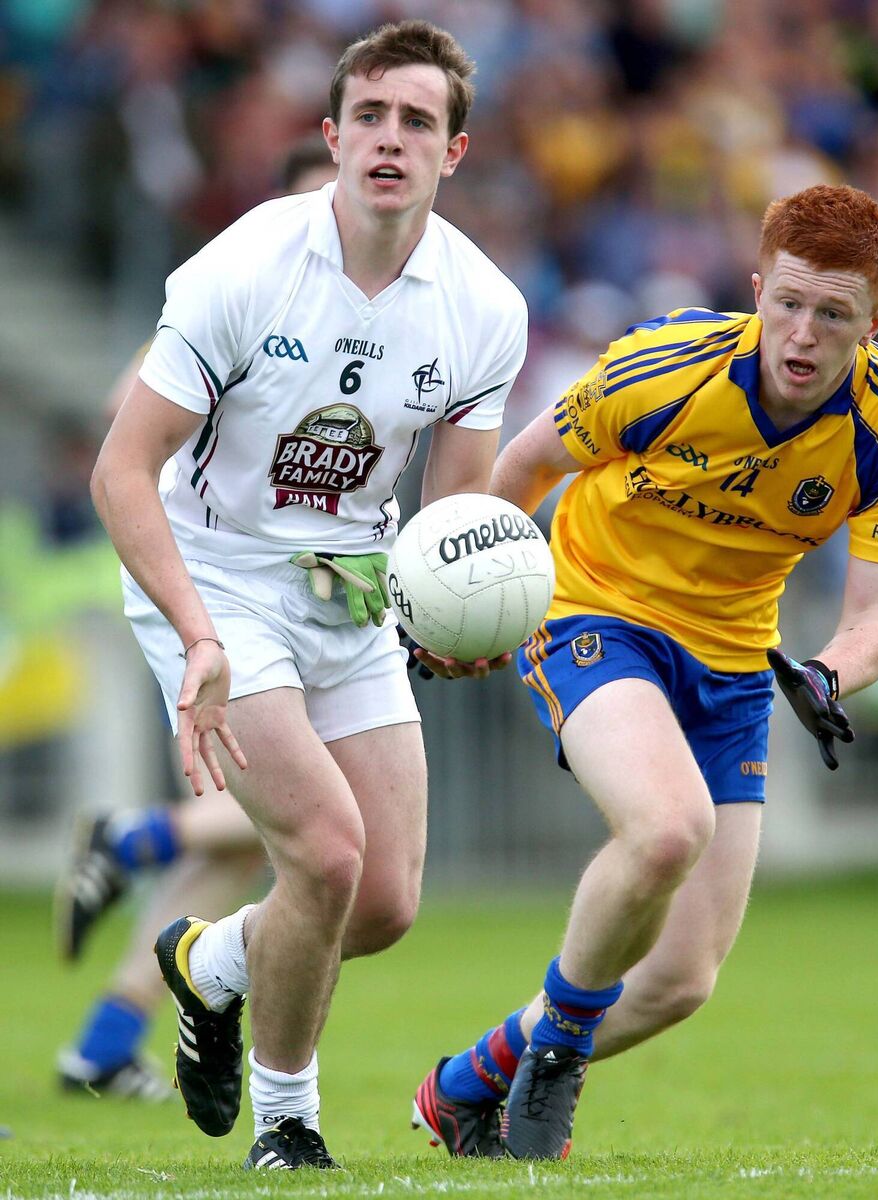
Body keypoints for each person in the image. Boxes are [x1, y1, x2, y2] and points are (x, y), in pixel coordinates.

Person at [409, 183, 878, 1159]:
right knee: (665, 831)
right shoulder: (662, 369)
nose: (802, 333)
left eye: (833, 315)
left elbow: (876, 619)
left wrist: (824, 675)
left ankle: (465, 1083)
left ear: (876, 321)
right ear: (755, 287)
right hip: (591, 610)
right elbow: (524, 464)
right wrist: (466, 588)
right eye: (786, 302)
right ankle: (558, 1056)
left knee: (678, 981)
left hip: (735, 663)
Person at [89, 19, 525, 1170]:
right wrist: (195, 636)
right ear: (331, 138)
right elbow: (119, 471)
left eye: (416, 121)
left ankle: (208, 963)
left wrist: (461, 613)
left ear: (454, 151)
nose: (391, 140)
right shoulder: (241, 268)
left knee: (378, 901)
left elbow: (452, 516)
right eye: (370, 117)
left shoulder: (483, 307)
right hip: (216, 575)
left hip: (348, 585)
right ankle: (287, 1126)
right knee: (324, 857)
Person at [54, 134, 340, 1103]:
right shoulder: (241, 285)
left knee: (270, 841)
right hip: (204, 578)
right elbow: (120, 412)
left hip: (301, 589)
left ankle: (102, 1043)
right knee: (305, 826)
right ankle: (136, 838)